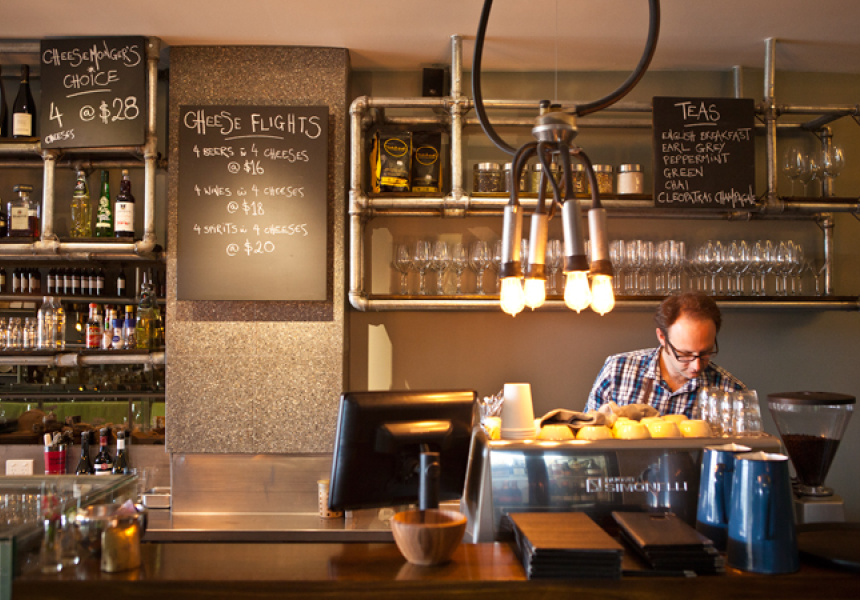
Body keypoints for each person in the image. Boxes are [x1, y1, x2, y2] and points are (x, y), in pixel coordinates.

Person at [585, 291, 746, 417]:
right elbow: (588, 432)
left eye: (705, 353)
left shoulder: (731, 392)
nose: (696, 366)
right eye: (685, 354)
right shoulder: (617, 370)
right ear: (662, 337)